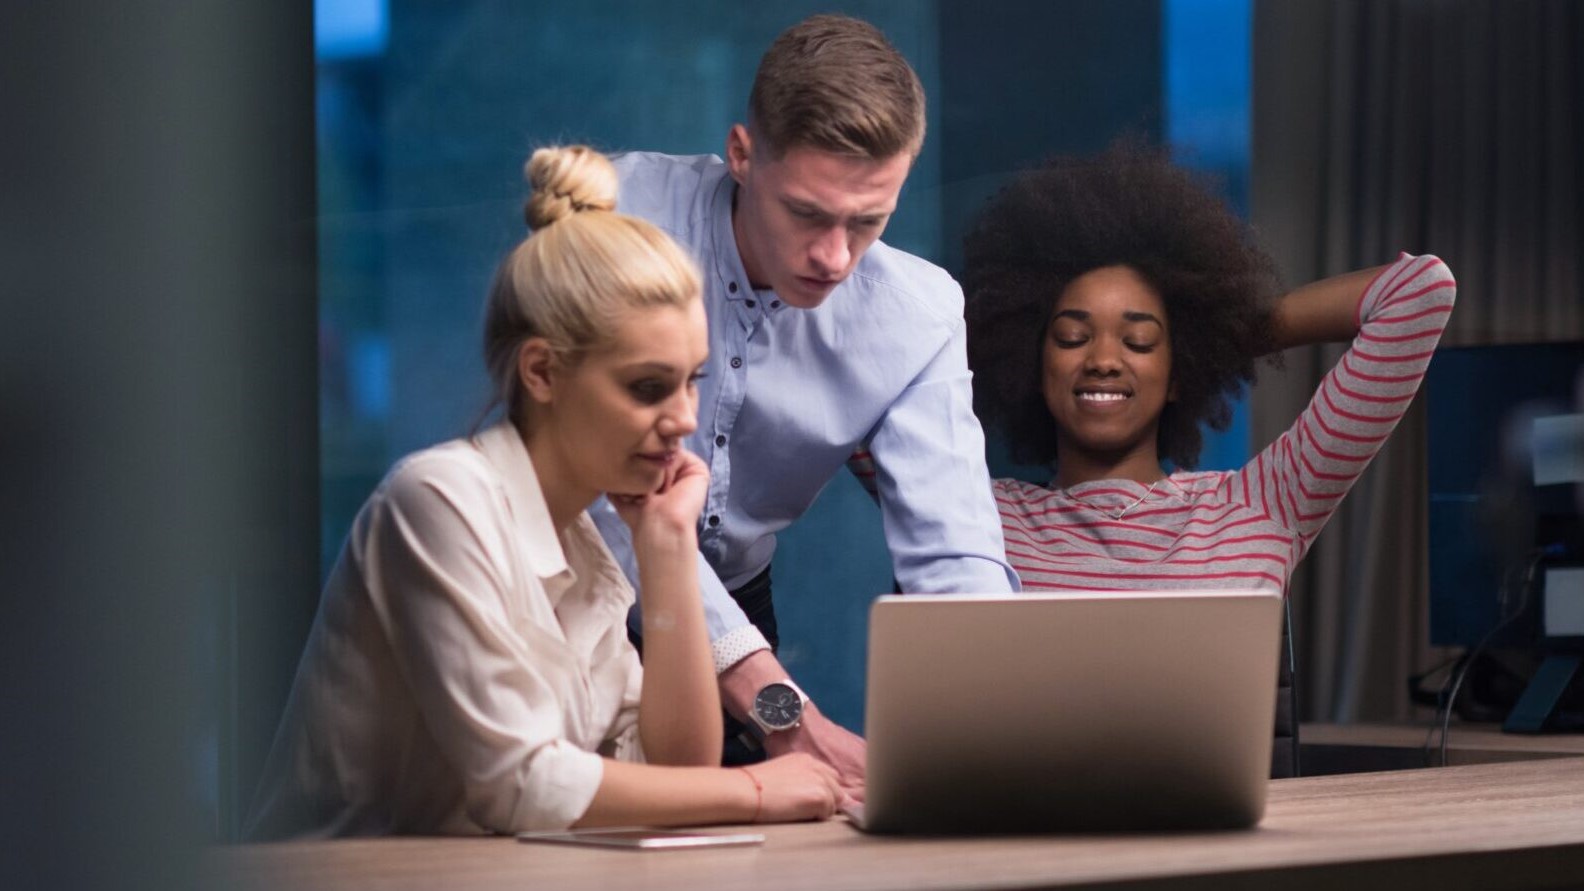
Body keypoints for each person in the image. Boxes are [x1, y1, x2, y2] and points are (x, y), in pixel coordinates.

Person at [244, 146, 842, 838]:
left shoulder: (583, 541)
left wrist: (670, 549)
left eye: (692, 381)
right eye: (649, 386)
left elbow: (676, 769)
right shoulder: (437, 501)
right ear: (542, 372)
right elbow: (521, 783)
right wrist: (757, 788)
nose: (684, 418)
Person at [593, 13, 1017, 791]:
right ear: (742, 154)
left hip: (733, 606)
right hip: (573, 587)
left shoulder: (916, 315)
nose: (834, 257)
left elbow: (954, 554)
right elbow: (597, 495)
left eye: (868, 222)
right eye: (807, 214)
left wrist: (998, 732)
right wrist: (785, 712)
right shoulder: (616, 220)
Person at [962, 148, 1456, 594]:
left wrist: (1220, 337)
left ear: (1179, 371)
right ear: (1033, 359)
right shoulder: (979, 514)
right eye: (1073, 337)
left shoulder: (1260, 506)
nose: (1104, 361)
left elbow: (1419, 291)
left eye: (1139, 341)